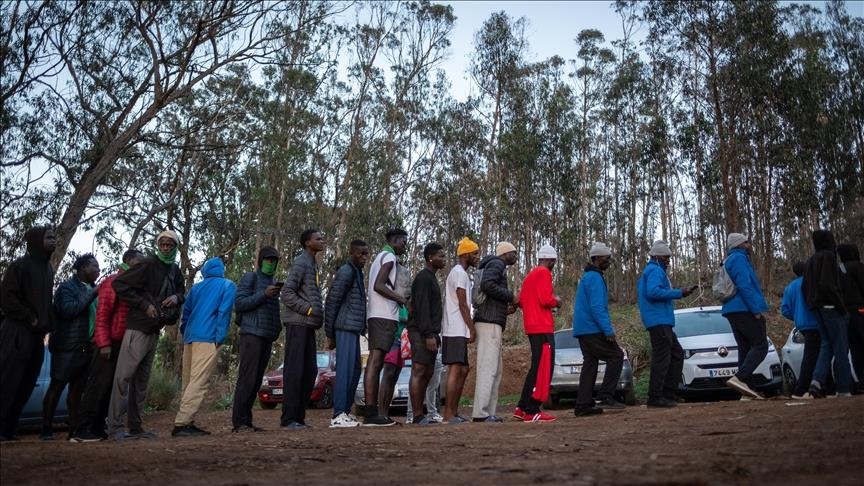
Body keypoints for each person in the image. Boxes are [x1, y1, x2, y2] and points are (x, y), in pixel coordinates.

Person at [108, 230, 185, 440]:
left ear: (176, 247)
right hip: (137, 328)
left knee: (141, 382)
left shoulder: (175, 270)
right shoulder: (147, 264)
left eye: (170, 245)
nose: (166, 248)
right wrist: (143, 305)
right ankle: (114, 427)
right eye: (163, 245)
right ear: (158, 246)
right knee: (123, 378)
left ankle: (136, 427)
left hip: (154, 330)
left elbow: (182, 292)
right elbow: (119, 284)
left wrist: (176, 298)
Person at [71, 249, 144, 442]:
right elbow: (102, 315)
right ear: (128, 260)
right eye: (138, 261)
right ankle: (81, 429)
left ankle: (96, 427)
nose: (142, 265)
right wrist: (103, 343)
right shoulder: (113, 282)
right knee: (98, 384)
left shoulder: (133, 283)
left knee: (111, 386)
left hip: (122, 342)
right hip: (108, 343)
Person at [0, 226, 56, 442]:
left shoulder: (48, 269)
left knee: (27, 382)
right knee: (9, 380)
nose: (53, 241)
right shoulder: (20, 266)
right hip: (17, 332)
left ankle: (9, 428)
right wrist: (30, 317)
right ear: (35, 240)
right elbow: (7, 299)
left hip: (36, 336)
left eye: (54, 238)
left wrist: (47, 323)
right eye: (49, 237)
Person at [171, 257, 236, 437]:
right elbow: (224, 312)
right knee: (199, 381)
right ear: (221, 269)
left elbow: (186, 312)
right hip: (208, 338)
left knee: (188, 381)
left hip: (190, 337)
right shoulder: (227, 285)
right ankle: (182, 423)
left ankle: (187, 421)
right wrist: (220, 337)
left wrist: (186, 331)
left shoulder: (196, 288)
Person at [41, 253, 100, 441]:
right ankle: (46, 429)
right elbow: (68, 311)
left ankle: (74, 430)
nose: (98, 271)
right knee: (57, 386)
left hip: (86, 347)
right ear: (82, 268)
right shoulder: (66, 288)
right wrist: (92, 294)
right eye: (94, 267)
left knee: (77, 390)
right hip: (67, 346)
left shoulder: (91, 289)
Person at [636, 240, 696, 408]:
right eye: (666, 256)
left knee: (676, 354)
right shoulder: (654, 270)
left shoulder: (654, 270)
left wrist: (679, 292)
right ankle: (655, 396)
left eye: (669, 256)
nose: (668, 259)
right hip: (658, 320)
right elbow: (653, 292)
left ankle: (668, 393)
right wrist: (679, 293)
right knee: (662, 358)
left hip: (661, 320)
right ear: (657, 256)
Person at [232, 246, 282, 433]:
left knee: (255, 381)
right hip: (251, 334)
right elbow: (240, 303)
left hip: (266, 336)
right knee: (247, 378)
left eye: (274, 260)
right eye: (268, 260)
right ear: (261, 261)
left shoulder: (273, 282)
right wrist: (264, 294)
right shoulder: (250, 278)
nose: (271, 263)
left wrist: (276, 329)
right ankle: (239, 422)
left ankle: (247, 420)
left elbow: (273, 311)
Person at [362, 228, 410, 427]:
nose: (405, 246)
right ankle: (372, 414)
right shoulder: (389, 257)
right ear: (395, 241)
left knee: (376, 362)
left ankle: (373, 413)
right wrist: (401, 299)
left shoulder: (380, 257)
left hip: (376, 315)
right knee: (375, 362)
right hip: (383, 316)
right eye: (403, 242)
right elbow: (379, 286)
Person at [571, 242, 625, 416]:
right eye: (606, 258)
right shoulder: (594, 278)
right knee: (616, 356)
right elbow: (597, 307)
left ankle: (583, 405)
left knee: (590, 364)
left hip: (583, 329)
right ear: (596, 259)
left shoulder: (587, 277)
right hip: (592, 328)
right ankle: (606, 396)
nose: (609, 261)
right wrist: (608, 330)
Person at [280, 229, 326, 429]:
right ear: (307, 243)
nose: (322, 240)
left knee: (309, 371)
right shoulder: (301, 262)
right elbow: (287, 292)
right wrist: (307, 309)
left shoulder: (312, 263)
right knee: (295, 371)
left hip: (308, 326)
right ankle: (289, 419)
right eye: (318, 238)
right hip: (298, 323)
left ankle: (298, 418)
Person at [324, 240, 370, 428]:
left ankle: (345, 411)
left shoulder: (357, 272)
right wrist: (330, 334)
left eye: (366, 254)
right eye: (361, 254)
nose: (364, 257)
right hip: (343, 327)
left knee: (355, 370)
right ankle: (337, 414)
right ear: (352, 253)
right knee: (344, 370)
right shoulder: (346, 271)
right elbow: (332, 301)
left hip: (354, 328)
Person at [473, 242, 519, 423]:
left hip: (492, 320)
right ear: (505, 253)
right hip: (489, 323)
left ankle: (487, 412)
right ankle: (481, 413)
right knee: (488, 368)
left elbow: (490, 291)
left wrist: (503, 309)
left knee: (495, 369)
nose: (515, 257)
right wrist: (510, 296)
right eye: (514, 253)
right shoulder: (497, 264)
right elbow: (487, 285)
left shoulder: (494, 265)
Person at [804, 230, 852, 398]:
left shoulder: (810, 261)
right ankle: (844, 388)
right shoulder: (829, 257)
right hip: (831, 307)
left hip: (817, 308)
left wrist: (812, 304)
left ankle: (816, 382)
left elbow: (806, 287)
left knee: (826, 345)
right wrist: (841, 307)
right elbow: (827, 284)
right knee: (840, 347)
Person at [721, 233, 770, 400]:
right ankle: (740, 378)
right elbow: (745, 285)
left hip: (731, 309)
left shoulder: (729, 260)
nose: (749, 244)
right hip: (743, 308)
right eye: (746, 242)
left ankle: (747, 391)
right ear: (739, 244)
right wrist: (755, 310)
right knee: (761, 345)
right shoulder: (739, 259)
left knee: (745, 348)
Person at [516, 244, 560, 423]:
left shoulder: (529, 277)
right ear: (551, 260)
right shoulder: (544, 273)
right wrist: (557, 301)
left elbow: (521, 301)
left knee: (535, 367)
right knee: (543, 369)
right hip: (542, 327)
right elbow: (545, 299)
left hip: (532, 326)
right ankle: (532, 409)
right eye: (554, 262)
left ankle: (522, 407)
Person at [442, 237, 480, 424]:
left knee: (463, 369)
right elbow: (463, 304)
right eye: (474, 254)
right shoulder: (459, 274)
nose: (477, 257)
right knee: (455, 369)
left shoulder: (460, 274)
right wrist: (471, 328)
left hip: (457, 328)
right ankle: (448, 415)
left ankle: (453, 412)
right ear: (464, 254)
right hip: (455, 328)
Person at [407, 243, 446, 425]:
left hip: (431, 333)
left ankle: (421, 413)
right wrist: (428, 334)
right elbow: (421, 308)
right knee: (419, 370)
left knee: (428, 371)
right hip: (421, 333)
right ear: (430, 257)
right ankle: (416, 415)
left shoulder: (431, 278)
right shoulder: (423, 278)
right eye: (440, 256)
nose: (444, 259)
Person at [780, 262, 821, 399]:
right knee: (814, 356)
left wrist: (797, 317)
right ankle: (802, 389)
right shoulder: (812, 282)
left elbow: (785, 310)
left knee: (813, 355)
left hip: (802, 326)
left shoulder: (790, 287)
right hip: (815, 322)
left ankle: (813, 386)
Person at [837, 243, 864, 389]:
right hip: (860, 309)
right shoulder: (858, 267)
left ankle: (861, 379)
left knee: (855, 348)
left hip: (845, 313)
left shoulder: (838, 270)